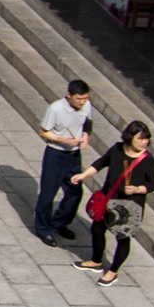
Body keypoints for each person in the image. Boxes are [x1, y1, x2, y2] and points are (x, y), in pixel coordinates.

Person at [71, 120, 154, 286]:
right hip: (108, 198)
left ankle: (113, 271)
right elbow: (101, 162)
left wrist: (138, 189)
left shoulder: (147, 160)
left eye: (146, 139)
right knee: (97, 228)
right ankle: (96, 261)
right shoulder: (117, 149)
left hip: (129, 205)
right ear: (129, 137)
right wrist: (84, 175)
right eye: (140, 138)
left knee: (123, 238)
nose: (143, 142)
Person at [32, 79, 93, 244]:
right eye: (79, 99)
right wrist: (63, 140)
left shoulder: (86, 105)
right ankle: (43, 228)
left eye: (85, 98)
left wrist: (85, 137)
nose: (82, 102)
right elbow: (44, 131)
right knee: (48, 193)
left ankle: (60, 222)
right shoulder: (55, 109)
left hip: (73, 155)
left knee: (75, 191)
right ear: (69, 95)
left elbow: (87, 122)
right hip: (56, 153)